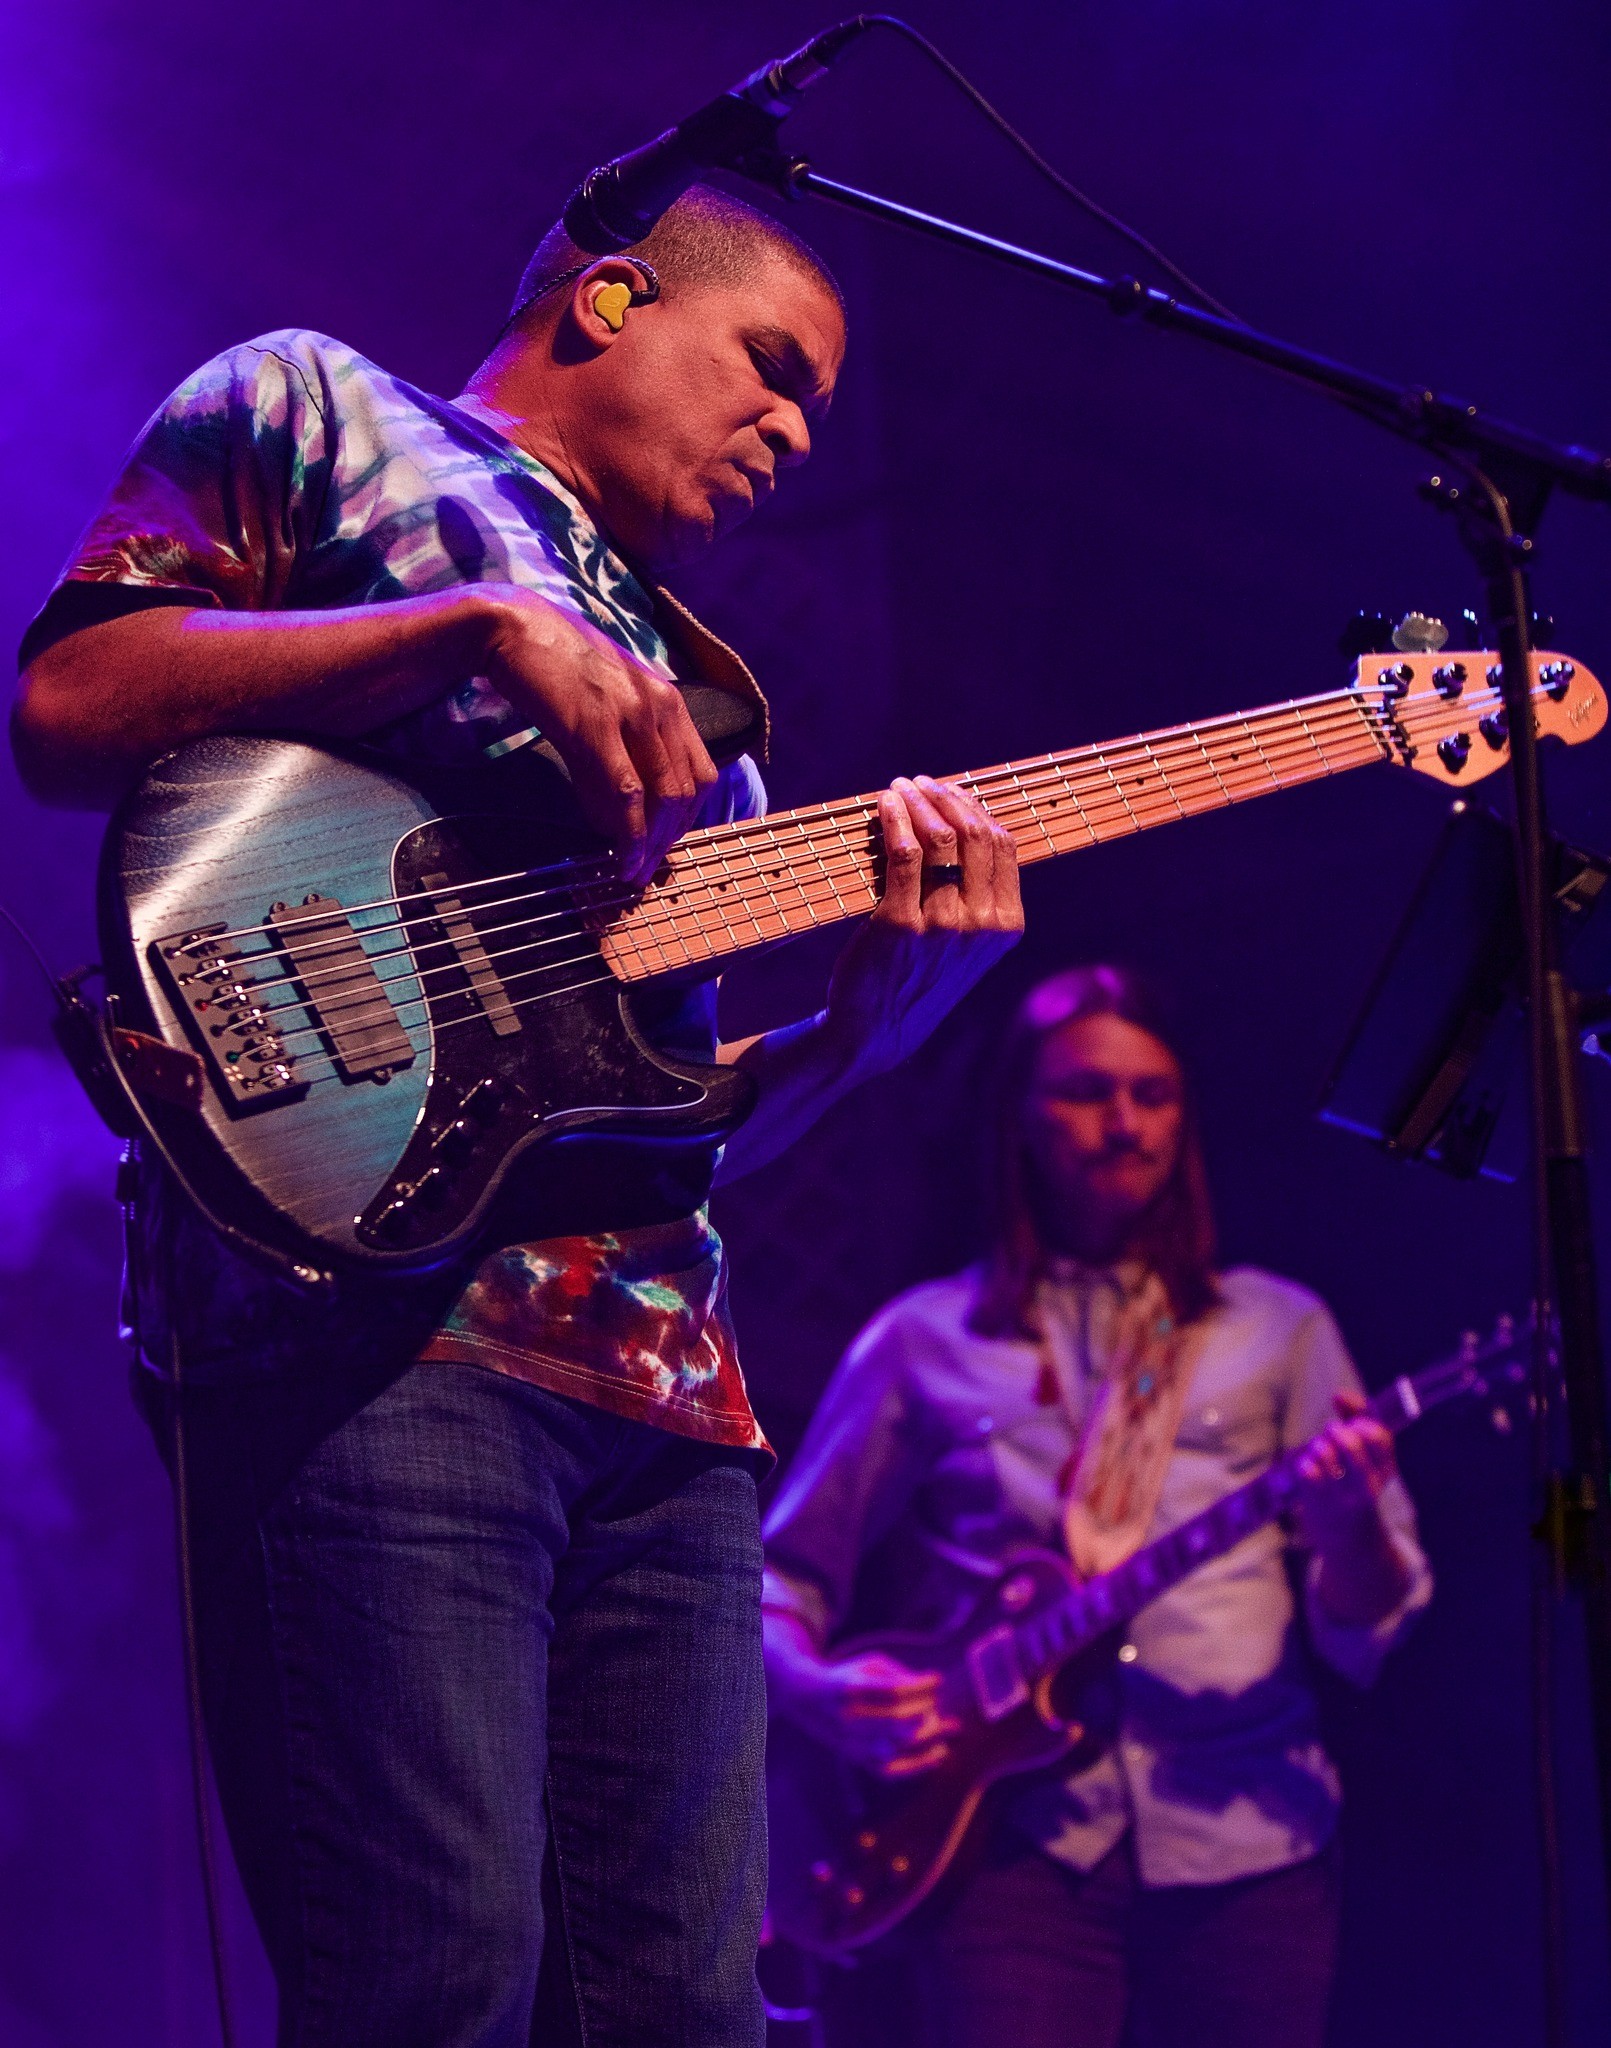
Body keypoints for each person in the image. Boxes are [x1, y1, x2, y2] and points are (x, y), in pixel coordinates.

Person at [10, 186, 1026, 2047]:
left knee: (688, 2014)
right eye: (772, 371)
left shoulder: (708, 719)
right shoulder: (319, 408)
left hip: (670, 1406)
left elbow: (656, 1127)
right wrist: (471, 626)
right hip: (379, 1346)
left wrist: (863, 1042)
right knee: (437, 1985)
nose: (795, 434)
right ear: (613, 293)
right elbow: (67, 703)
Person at [762, 964, 1432, 2048]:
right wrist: (816, 1685)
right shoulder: (922, 1341)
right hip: (1007, 1854)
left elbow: (1367, 1629)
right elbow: (778, 1574)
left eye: (1154, 1093)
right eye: (1085, 1092)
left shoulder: (1280, 1329)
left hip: (1253, 1835)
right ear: (1020, 1114)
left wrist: (1353, 1522)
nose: (1124, 1123)